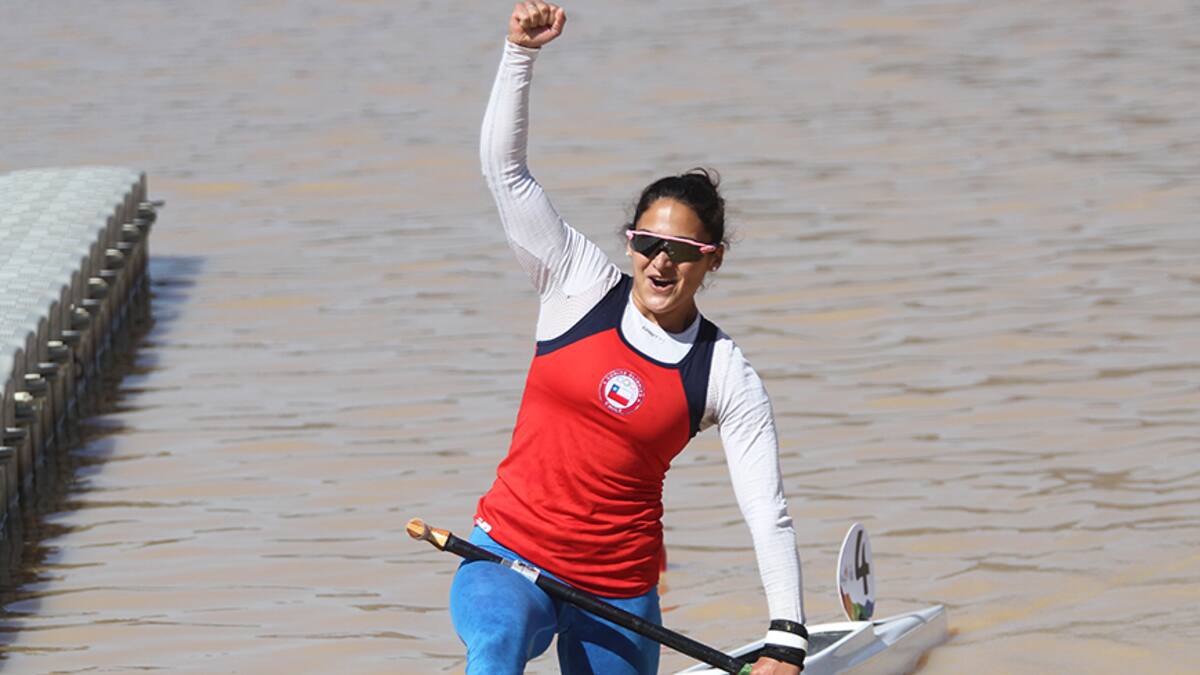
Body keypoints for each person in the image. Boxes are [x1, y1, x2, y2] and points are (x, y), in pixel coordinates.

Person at [449, 3, 807, 673]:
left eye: (682, 249)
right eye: (647, 243)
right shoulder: (577, 282)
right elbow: (506, 172)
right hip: (504, 556)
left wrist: (786, 637)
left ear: (713, 258)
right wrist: (519, 55)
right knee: (496, 644)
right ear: (631, 242)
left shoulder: (723, 372)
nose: (660, 263)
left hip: (615, 586)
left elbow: (766, 507)